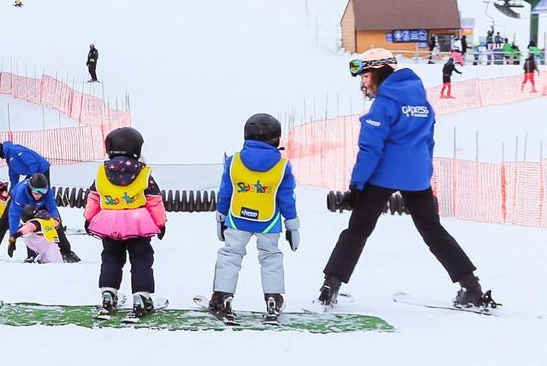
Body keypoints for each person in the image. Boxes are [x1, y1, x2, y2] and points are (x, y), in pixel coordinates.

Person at [319, 50, 493, 310]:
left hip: (382, 176)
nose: (363, 83)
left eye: (365, 75)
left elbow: (370, 148)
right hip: (417, 178)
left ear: (380, 71)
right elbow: (429, 143)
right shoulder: (422, 102)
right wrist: (424, 175)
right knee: (434, 232)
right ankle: (472, 289)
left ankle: (329, 288)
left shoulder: (384, 103)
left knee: (356, 231)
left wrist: (356, 187)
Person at [207, 113, 297, 323]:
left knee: (230, 256)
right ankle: (273, 299)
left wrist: (221, 216)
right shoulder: (282, 166)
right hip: (269, 221)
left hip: (238, 219)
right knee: (271, 258)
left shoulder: (234, 161)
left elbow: (226, 191)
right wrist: (291, 224)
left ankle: (222, 298)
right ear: (276, 139)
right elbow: (287, 197)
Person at [84, 127, 166, 317]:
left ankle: (108, 294)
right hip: (137, 223)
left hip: (110, 223)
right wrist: (160, 223)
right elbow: (154, 200)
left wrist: (89, 219)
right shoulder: (143, 173)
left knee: (111, 258)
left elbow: (94, 197)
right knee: (141, 259)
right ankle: (141, 297)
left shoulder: (101, 173)